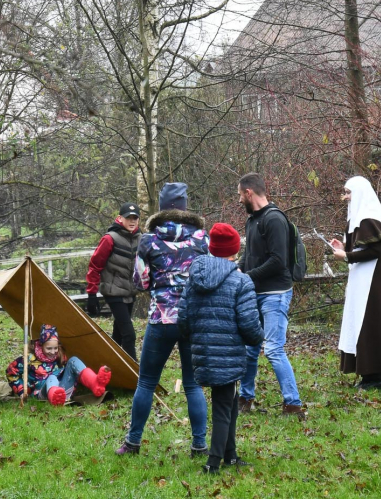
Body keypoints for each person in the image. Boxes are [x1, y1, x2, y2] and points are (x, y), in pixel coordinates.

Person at [115, 182, 210, 456]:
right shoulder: (202, 239)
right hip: (193, 320)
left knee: (146, 382)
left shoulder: (148, 241)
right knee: (192, 385)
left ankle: (133, 443)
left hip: (161, 319)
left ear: (161, 208)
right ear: (184, 207)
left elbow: (139, 282)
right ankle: (200, 445)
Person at [178, 223, 263, 474]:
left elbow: (183, 320)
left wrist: (198, 338)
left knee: (229, 402)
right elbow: (249, 324)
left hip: (204, 351)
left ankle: (231, 454)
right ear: (235, 250)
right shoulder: (241, 280)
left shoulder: (194, 278)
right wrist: (259, 337)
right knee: (224, 407)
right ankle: (213, 463)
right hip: (228, 353)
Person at [236, 172, 305, 420]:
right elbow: (251, 254)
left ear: (249, 193)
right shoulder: (253, 220)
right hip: (256, 292)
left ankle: (293, 405)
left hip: (275, 294)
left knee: (274, 349)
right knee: (250, 348)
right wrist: (239, 269)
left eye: (239, 195)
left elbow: (278, 261)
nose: (239, 200)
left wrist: (247, 276)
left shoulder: (274, 219)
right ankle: (245, 398)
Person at [328, 176, 381, 389]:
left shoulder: (370, 218)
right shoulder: (359, 218)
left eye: (349, 192)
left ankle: (375, 377)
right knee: (362, 324)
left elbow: (375, 251)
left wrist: (346, 256)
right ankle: (367, 375)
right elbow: (360, 246)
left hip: (372, 283)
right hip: (362, 280)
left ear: (360, 192)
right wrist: (343, 245)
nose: (346, 197)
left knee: (371, 325)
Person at [85, 203, 141, 359]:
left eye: (135, 218)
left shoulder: (141, 239)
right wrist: (91, 294)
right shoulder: (109, 239)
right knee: (129, 335)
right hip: (113, 291)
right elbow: (95, 266)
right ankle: (134, 375)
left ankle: (108, 367)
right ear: (119, 218)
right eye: (128, 218)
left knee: (118, 335)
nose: (132, 221)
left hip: (130, 292)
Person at [5, 324, 111, 405]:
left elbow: (69, 371)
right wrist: (22, 391)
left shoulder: (59, 355)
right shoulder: (30, 358)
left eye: (55, 348)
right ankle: (55, 397)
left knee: (73, 360)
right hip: (42, 393)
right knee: (52, 378)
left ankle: (95, 383)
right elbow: (11, 371)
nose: (53, 352)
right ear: (41, 345)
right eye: (49, 348)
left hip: (62, 391)